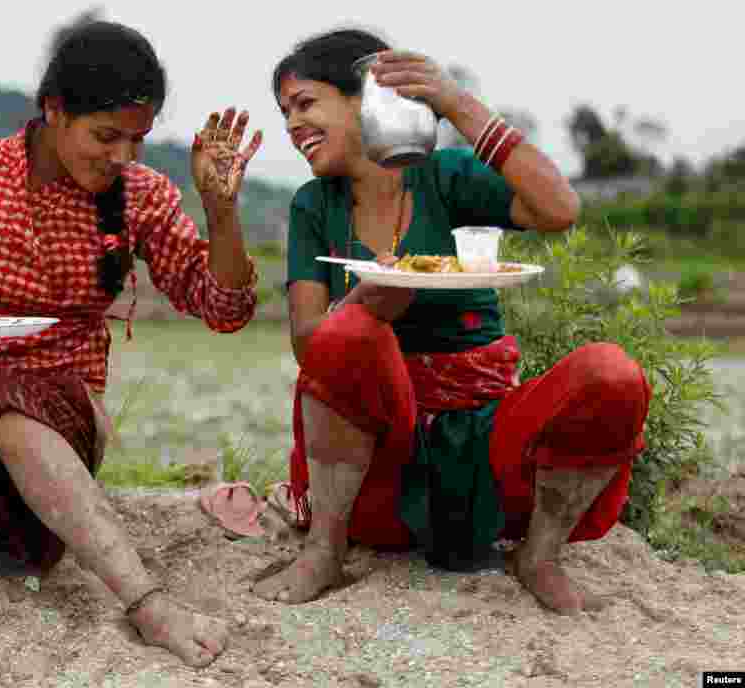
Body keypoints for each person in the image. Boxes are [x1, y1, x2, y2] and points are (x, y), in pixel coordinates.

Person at [0, 21, 262, 679]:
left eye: (136, 140)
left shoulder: (142, 197)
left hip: (45, 467)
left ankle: (148, 605)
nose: (123, 156)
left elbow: (225, 308)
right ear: (54, 111)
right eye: (105, 136)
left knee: (8, 391)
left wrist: (221, 212)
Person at [253, 29, 651, 614]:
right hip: (376, 477)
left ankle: (538, 555)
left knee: (611, 375)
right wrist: (376, 296)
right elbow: (311, 345)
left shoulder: (448, 177)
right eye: (285, 111)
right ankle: (326, 548)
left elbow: (559, 209)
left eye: (306, 103)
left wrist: (455, 103)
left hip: (489, 459)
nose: (292, 124)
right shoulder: (314, 206)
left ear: (366, 96)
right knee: (348, 332)